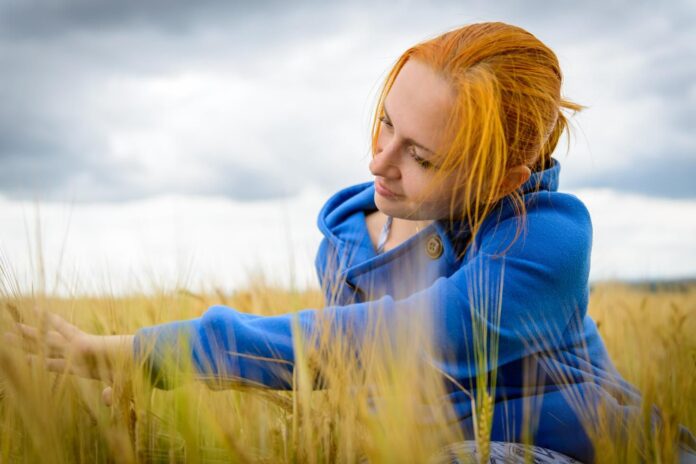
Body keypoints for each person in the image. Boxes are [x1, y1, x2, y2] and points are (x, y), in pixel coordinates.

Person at [6, 22, 694, 464]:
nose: (378, 163)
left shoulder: (546, 239)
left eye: (420, 156)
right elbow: (343, 376)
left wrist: (147, 353)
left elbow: (372, 341)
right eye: (384, 123)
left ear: (502, 175)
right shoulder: (344, 237)